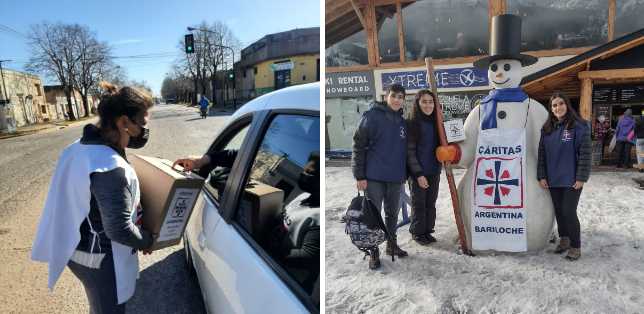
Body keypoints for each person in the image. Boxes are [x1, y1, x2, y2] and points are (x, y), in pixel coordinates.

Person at [31, 82, 157, 313]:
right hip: (98, 258)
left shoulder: (80, 147)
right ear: (124, 122)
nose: (145, 130)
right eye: (143, 122)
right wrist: (148, 240)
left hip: (74, 245)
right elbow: (119, 229)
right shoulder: (109, 167)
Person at [352, 83, 408, 270]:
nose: (397, 100)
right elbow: (358, 145)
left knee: (392, 214)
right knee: (372, 216)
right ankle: (373, 251)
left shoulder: (401, 121)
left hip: (395, 178)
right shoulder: (372, 116)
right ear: (386, 96)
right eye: (394, 96)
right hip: (374, 176)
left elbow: (403, 151)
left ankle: (391, 245)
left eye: (401, 97)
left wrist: (405, 174)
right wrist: (359, 175)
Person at [537, 93, 591, 261]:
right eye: (554, 105)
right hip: (553, 178)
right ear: (551, 109)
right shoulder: (547, 130)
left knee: (568, 211)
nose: (558, 107)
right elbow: (542, 155)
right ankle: (565, 239)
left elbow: (585, 154)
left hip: (572, 179)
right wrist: (542, 175)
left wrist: (581, 177)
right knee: (559, 211)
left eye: (561, 103)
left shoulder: (579, 126)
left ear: (567, 105)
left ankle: (576, 246)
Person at [406, 89, 442, 245]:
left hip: (434, 170)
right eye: (424, 102)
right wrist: (418, 174)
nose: (428, 105)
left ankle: (428, 230)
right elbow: (409, 152)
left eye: (430, 102)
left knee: (430, 202)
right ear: (417, 104)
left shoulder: (437, 123)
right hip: (418, 172)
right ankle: (417, 232)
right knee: (419, 203)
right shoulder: (412, 123)